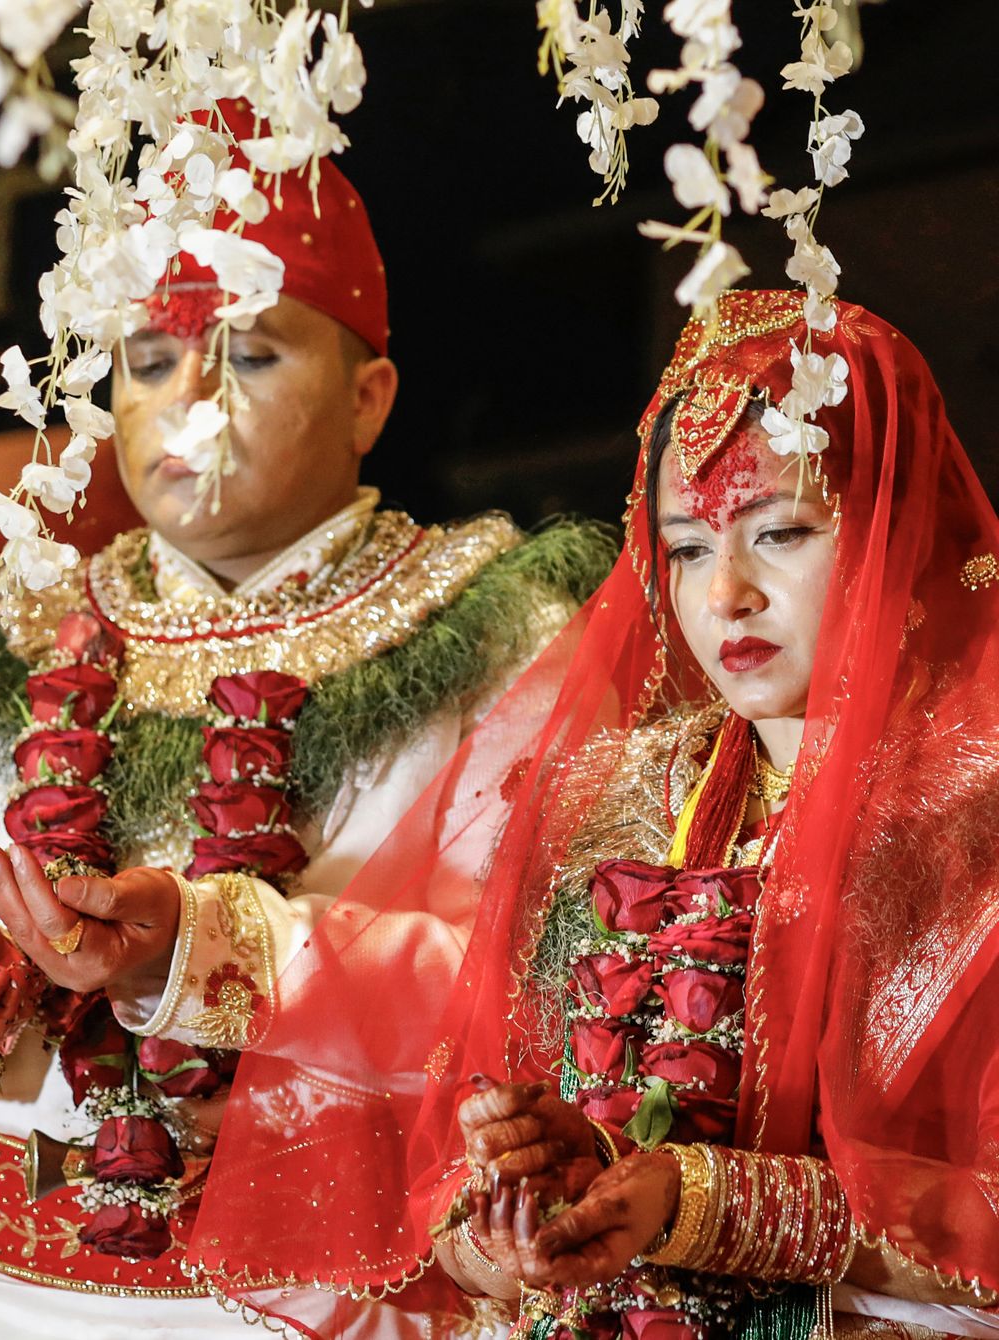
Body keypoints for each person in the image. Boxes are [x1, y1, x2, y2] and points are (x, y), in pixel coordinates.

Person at [187, 289, 999, 1338]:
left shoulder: (976, 820)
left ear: (899, 524)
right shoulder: (606, 805)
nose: (726, 595)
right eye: (687, 548)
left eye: (782, 532)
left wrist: (696, 1200)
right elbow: (456, 1225)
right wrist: (522, 1207)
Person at [0, 117, 615, 1338]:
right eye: (148, 360)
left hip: (333, 1307)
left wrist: (204, 948)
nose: (189, 400)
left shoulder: (504, 632)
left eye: (247, 354)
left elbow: (545, 1000)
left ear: (368, 398)